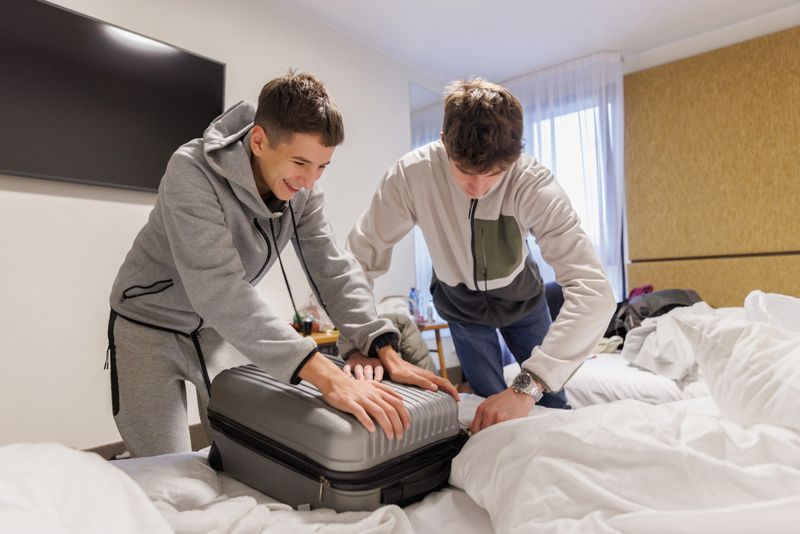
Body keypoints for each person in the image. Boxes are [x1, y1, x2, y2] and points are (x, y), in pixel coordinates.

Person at [106, 71, 457, 458]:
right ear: (259, 141)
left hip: (218, 331)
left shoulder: (303, 192)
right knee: (164, 467)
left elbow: (333, 269)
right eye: (301, 162)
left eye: (322, 166)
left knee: (243, 455)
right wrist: (325, 374)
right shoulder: (191, 170)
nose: (309, 181)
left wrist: (380, 343)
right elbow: (217, 287)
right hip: (147, 324)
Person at [345, 78, 616, 433]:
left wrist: (526, 387)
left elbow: (595, 292)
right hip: (460, 306)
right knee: (486, 404)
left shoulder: (533, 183)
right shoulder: (411, 176)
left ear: (515, 154)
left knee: (549, 398)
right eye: (462, 170)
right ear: (444, 141)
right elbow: (358, 259)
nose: (477, 188)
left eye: (493, 174)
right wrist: (357, 341)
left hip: (524, 300)